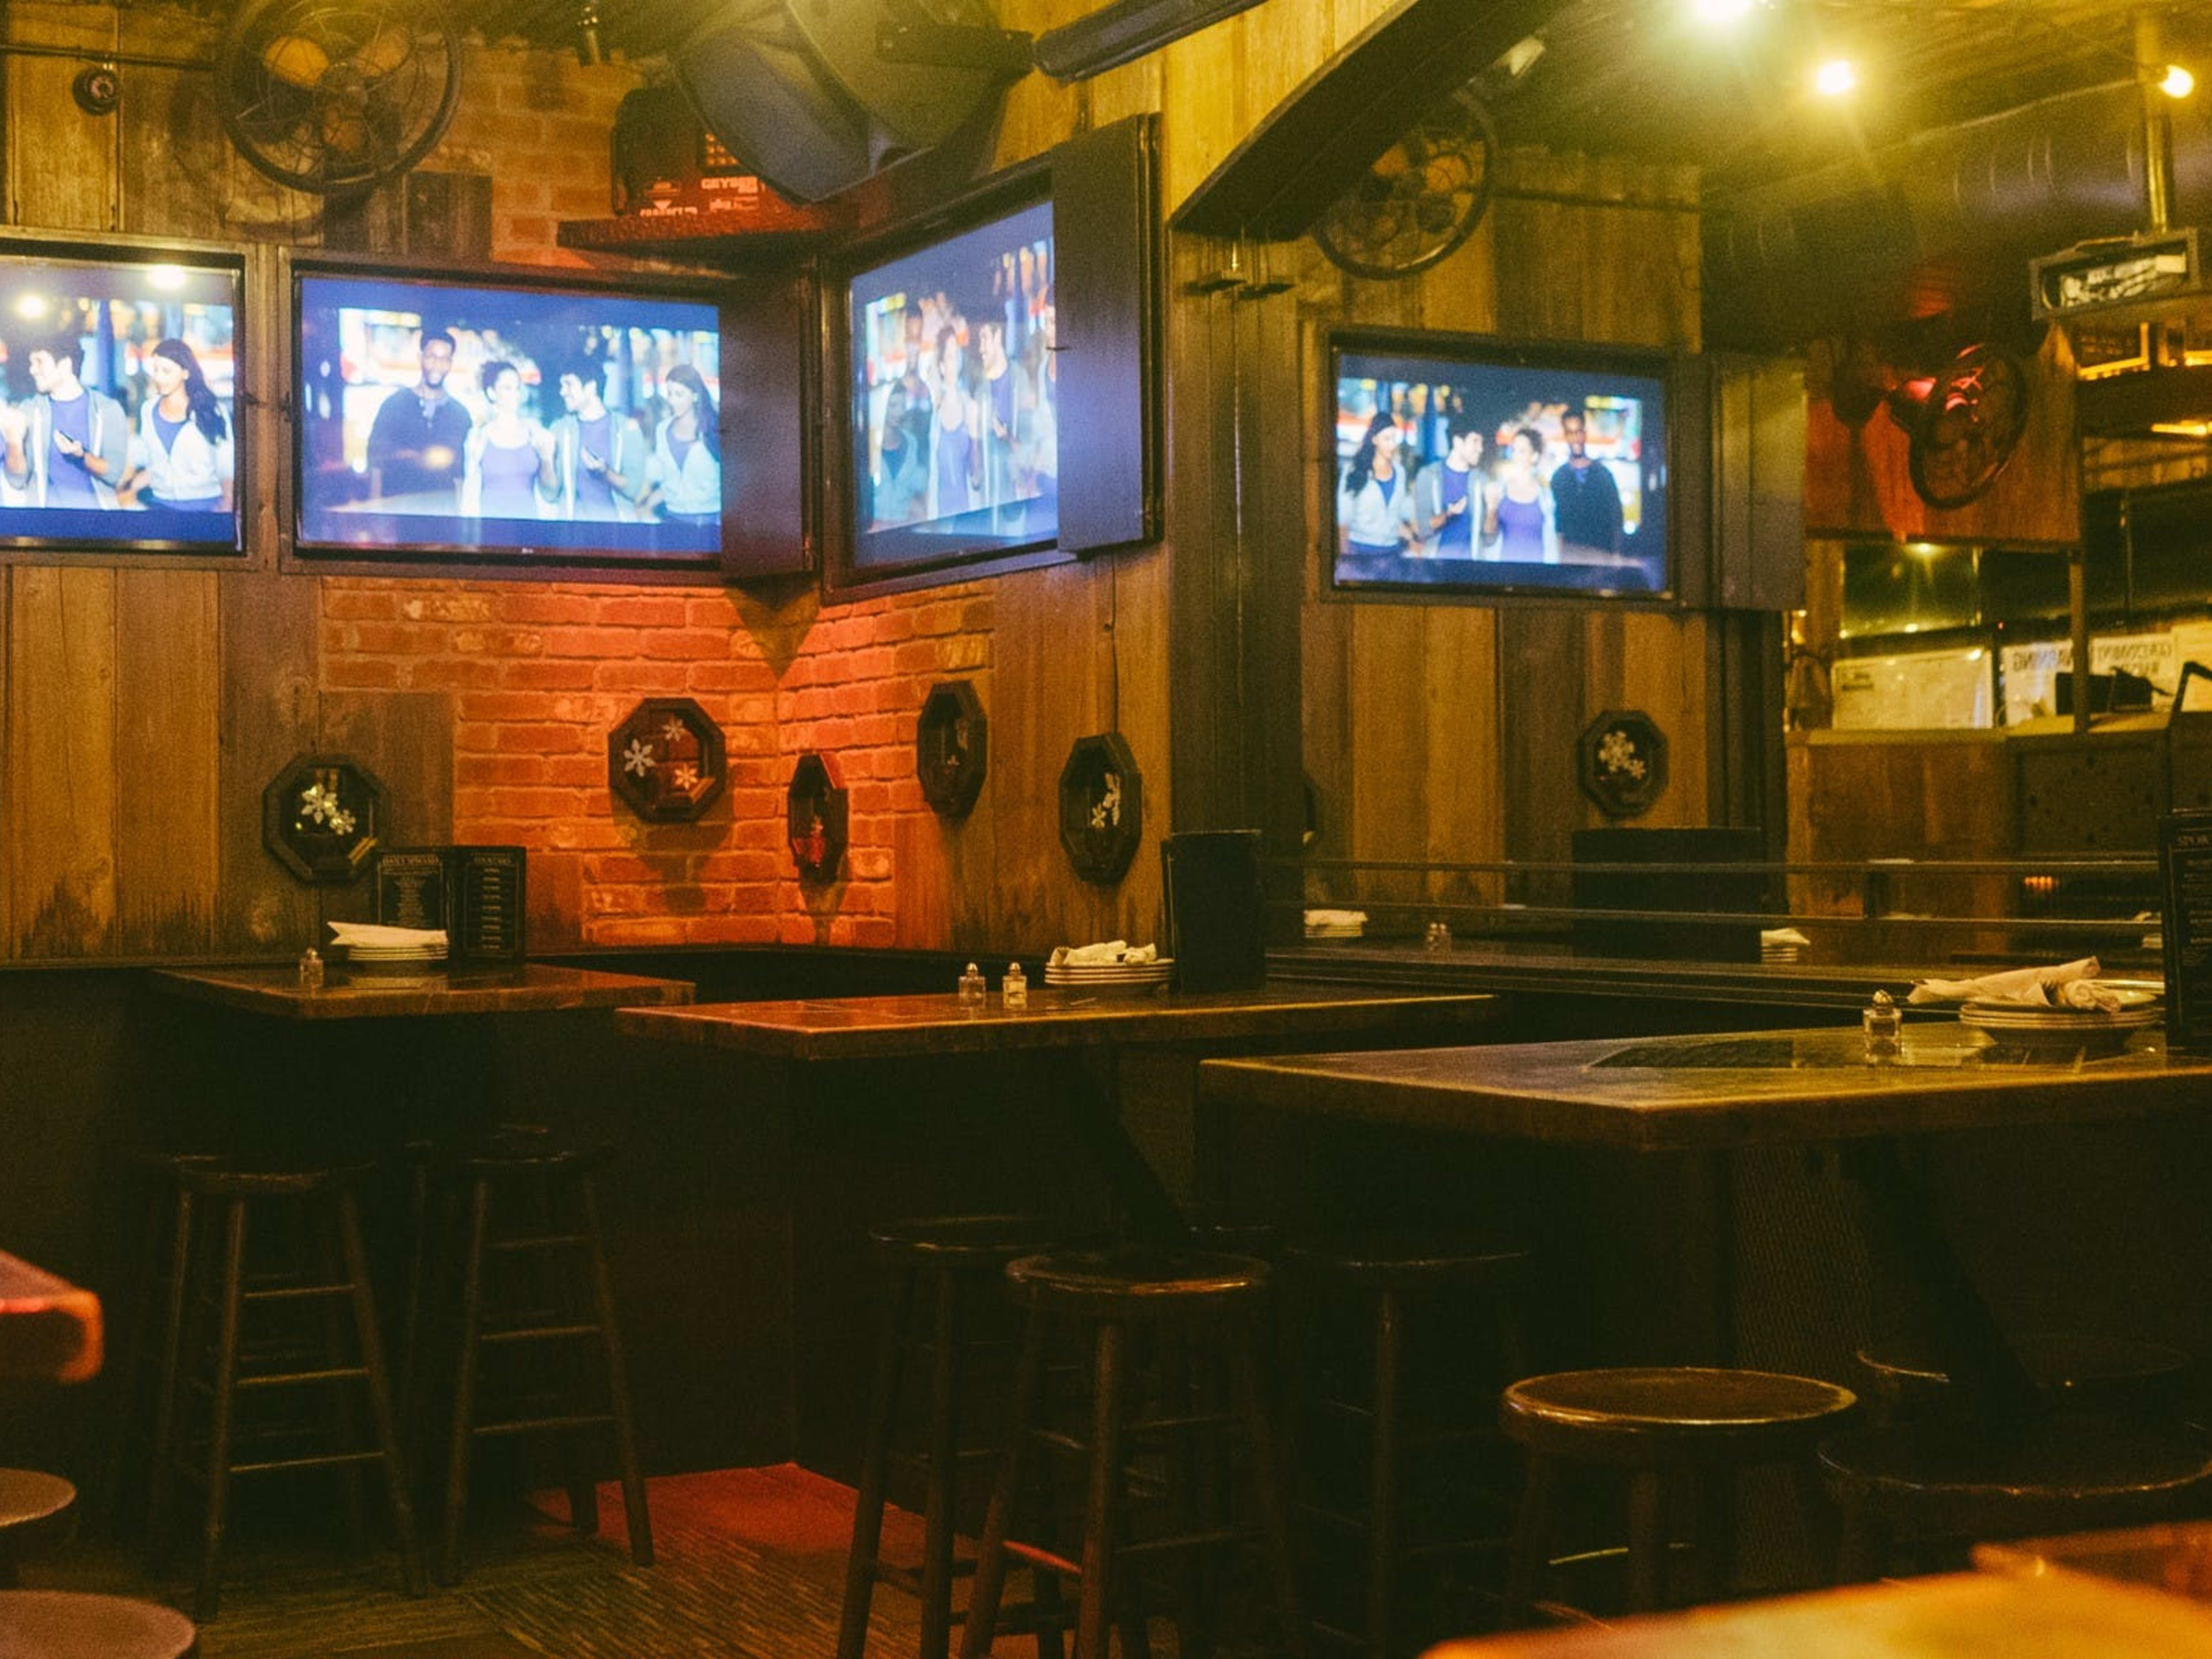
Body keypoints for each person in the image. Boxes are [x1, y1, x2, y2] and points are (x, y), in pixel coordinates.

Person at [0, 335, 130, 509]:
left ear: (65, 365)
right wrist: (13, 442)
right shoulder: (29, 411)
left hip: (97, 524)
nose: (33, 370)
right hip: (45, 525)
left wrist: (82, 456)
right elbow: (17, 480)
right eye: (32, 363)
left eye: (39, 362)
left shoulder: (107, 410)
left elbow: (114, 473)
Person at [365, 328, 473, 507]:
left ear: (451, 363)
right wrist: (376, 507)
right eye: (432, 357)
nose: (438, 365)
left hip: (443, 515)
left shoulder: (460, 415)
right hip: (400, 511)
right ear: (420, 358)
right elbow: (377, 461)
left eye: (445, 359)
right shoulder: (394, 406)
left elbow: (460, 474)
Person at [128, 338, 233, 512]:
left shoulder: (212, 411)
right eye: (155, 370)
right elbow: (154, 465)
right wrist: (127, 488)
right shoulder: (148, 410)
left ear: (185, 373)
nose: (159, 377)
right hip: (160, 507)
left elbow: (226, 467)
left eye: (166, 371)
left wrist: (227, 505)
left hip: (207, 509)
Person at [539, 358, 643, 521]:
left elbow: (634, 489)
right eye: (562, 385)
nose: (562, 392)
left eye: (569, 384)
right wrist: (546, 459)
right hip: (573, 535)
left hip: (616, 532)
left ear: (591, 387)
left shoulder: (626, 429)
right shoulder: (560, 429)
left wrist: (605, 473)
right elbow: (550, 494)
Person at [460, 360, 555, 518]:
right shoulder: (477, 438)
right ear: (492, 393)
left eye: (517, 388)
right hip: (490, 534)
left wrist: (547, 459)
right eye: (507, 388)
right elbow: (469, 494)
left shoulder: (536, 434)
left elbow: (551, 492)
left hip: (529, 531)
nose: (516, 394)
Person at [636, 364, 721, 527]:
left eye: (679, 395)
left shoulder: (713, 430)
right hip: (673, 522)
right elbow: (668, 483)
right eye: (669, 394)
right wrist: (645, 504)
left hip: (710, 525)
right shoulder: (662, 430)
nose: (672, 401)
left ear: (695, 395)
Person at [1337, 410, 1416, 556]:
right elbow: (1343, 519)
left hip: (1392, 551)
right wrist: (1345, 557)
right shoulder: (1355, 471)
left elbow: (1399, 513)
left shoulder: (1400, 473)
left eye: (1394, 438)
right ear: (1374, 440)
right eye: (1387, 439)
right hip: (1360, 551)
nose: (1392, 445)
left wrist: (1412, 535)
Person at [1550, 409, 1624, 556]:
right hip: (1569, 558)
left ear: (1585, 433)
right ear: (1565, 436)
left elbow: (1616, 518)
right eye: (1570, 433)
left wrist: (1616, 555)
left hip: (1600, 558)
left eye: (1578, 432)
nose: (1575, 438)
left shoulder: (1604, 475)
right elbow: (1557, 524)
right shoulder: (1559, 477)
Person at [1484, 426, 1557, 563]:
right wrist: (1491, 508)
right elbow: (1489, 537)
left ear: (1534, 456)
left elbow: (1553, 540)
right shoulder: (1500, 490)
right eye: (1514, 450)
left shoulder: (1546, 497)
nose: (1516, 456)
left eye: (1522, 451)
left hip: (1538, 578)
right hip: (1503, 575)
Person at [1412, 421, 1482, 556]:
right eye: (1475, 442)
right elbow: (1421, 529)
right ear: (1457, 442)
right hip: (1437, 567)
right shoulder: (1428, 475)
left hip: (1472, 568)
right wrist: (1448, 515)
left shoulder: (1480, 481)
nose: (1480, 449)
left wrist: (1493, 508)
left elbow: (1489, 536)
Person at [929, 329, 977, 519]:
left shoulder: (970, 407)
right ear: (941, 366)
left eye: (957, 356)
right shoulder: (933, 414)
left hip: (969, 518)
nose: (955, 363)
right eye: (950, 357)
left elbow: (977, 478)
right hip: (939, 520)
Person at [871, 382, 929, 527]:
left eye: (903, 406)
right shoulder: (868, 444)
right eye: (893, 406)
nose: (899, 412)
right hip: (874, 537)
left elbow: (920, 490)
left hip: (905, 533)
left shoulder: (912, 443)